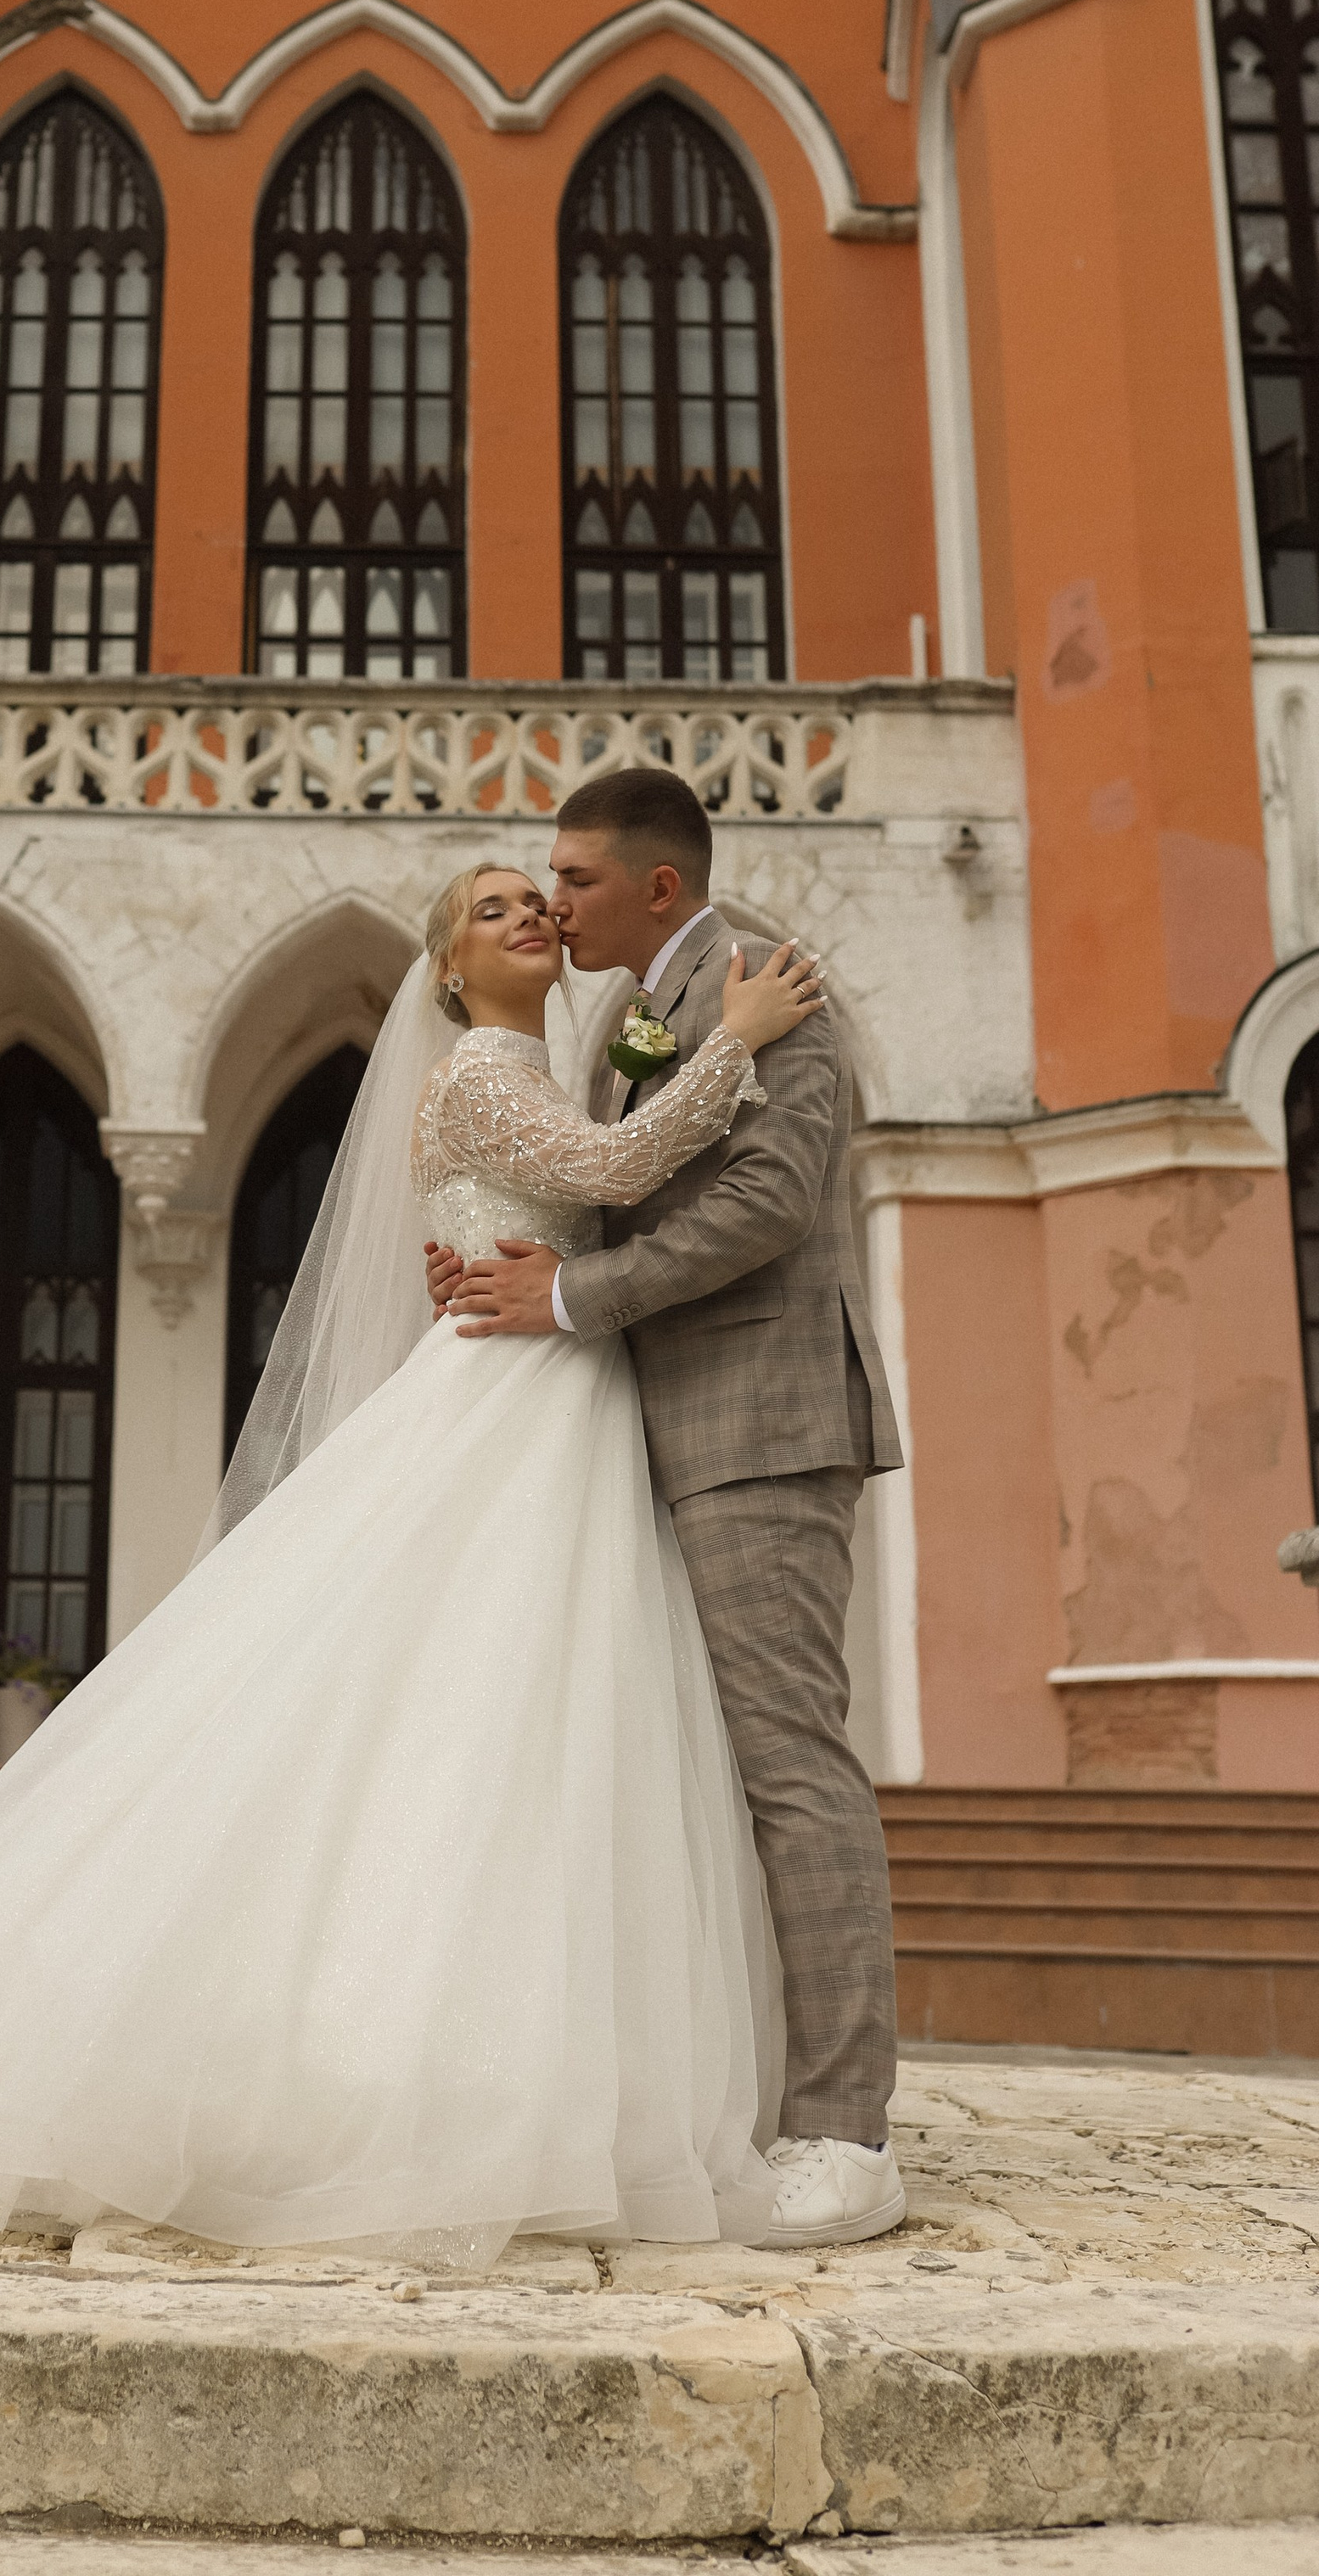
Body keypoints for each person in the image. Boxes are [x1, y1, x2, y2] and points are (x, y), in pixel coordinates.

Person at [0, 863, 821, 2264]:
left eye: (538, 898)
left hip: (567, 1396)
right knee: (456, 1702)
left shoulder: (564, 1068)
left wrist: (668, 1079)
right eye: (491, 911)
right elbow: (609, 1173)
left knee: (530, 1728)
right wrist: (738, 1039)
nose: (528, 915)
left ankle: (545, 2062)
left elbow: (598, 1176)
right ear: (454, 975)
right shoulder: (479, 1070)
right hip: (507, 1401)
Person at [429, 765, 906, 2253]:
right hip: (643, 1421)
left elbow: (765, 1204)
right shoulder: (646, 1008)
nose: (549, 902)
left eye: (569, 880)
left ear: (654, 885)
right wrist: (498, 1256)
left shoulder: (772, 985)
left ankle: (844, 2135)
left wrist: (566, 1289)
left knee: (785, 1767)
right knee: (674, 1774)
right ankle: (730, 2093)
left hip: (757, 1420)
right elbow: (604, 1177)